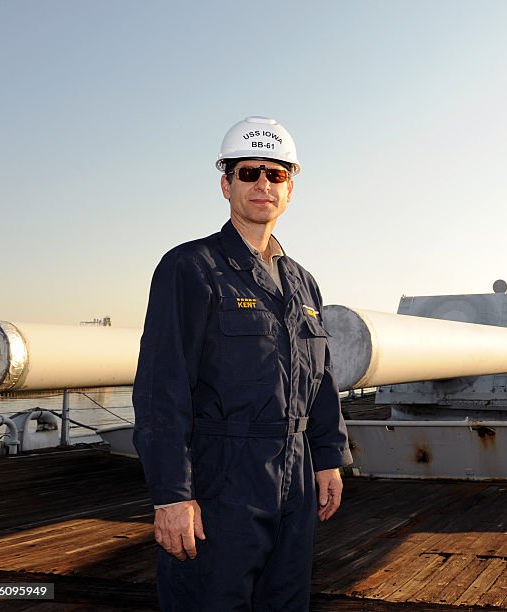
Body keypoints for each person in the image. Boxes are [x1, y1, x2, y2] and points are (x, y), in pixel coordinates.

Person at [132, 116, 351, 611]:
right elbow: (160, 389)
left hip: (295, 480)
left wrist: (330, 459)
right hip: (221, 479)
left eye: (275, 174)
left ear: (290, 188)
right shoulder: (190, 269)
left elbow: (321, 380)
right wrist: (171, 495)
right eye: (249, 172)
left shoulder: (304, 283)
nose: (262, 184)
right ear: (225, 183)